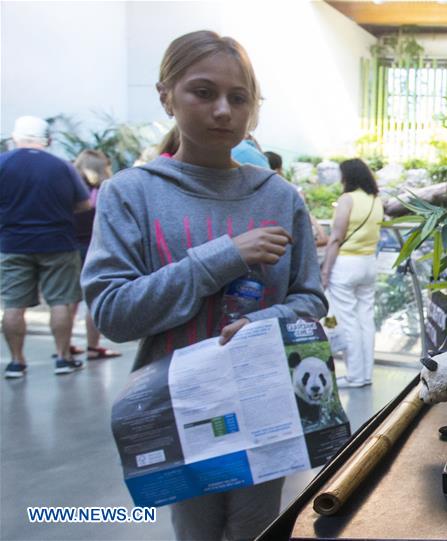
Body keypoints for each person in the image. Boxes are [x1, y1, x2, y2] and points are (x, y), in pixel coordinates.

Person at [80, 30, 326, 540]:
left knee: (259, 528)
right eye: (202, 92)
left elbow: (309, 301)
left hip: (268, 406)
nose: (222, 111)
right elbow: (113, 313)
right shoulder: (131, 194)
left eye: (238, 98)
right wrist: (223, 257)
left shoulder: (280, 197)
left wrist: (265, 321)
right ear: (166, 95)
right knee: (196, 531)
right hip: (177, 412)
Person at [1, 116, 91, 378]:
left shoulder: (2, 163)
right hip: (58, 243)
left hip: (13, 244)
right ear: (48, 140)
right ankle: (62, 358)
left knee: (14, 305)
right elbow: (84, 204)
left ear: (15, 137)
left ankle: (16, 362)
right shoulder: (62, 167)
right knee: (60, 302)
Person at [320, 159, 384, 388]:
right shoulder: (376, 199)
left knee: (347, 321)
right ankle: (366, 374)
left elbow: (336, 237)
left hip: (346, 265)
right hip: (368, 264)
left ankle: (355, 376)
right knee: (366, 319)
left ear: (348, 176)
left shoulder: (347, 199)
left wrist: (325, 271)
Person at [71, 150, 120, 360]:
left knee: (66, 300)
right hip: (94, 247)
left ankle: (64, 348)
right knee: (94, 299)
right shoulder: (106, 190)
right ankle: (92, 346)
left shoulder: (71, 187)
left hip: (71, 246)